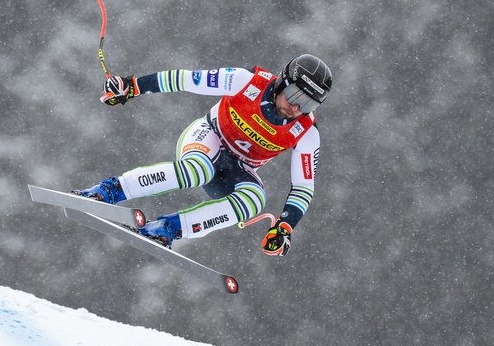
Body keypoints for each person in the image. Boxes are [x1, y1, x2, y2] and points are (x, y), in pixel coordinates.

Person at [74, 54, 332, 256]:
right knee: (198, 170)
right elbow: (184, 79)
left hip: (238, 168)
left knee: (253, 200)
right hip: (210, 136)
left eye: (308, 103)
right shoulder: (246, 81)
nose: (296, 107)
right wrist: (132, 87)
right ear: (282, 82)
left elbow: (303, 188)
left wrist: (285, 226)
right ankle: (109, 191)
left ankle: (169, 228)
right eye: (295, 95)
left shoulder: (306, 132)